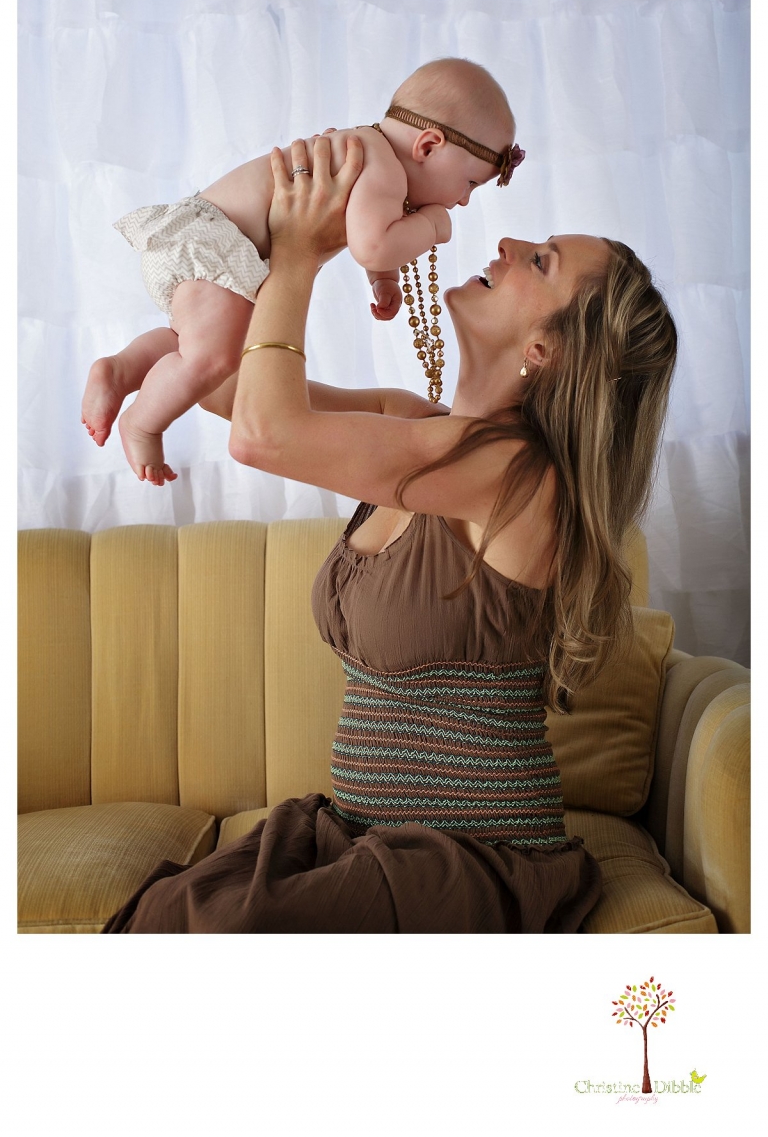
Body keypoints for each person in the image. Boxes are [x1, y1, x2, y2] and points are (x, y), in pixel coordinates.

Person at [103, 133, 677, 934]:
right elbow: (239, 392)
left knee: (217, 938)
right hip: (360, 834)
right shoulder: (415, 426)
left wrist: (298, 261)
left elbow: (265, 436)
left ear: (545, 351)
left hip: (466, 860)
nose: (507, 243)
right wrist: (145, 358)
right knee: (168, 922)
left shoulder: (517, 476)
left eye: (540, 261)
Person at [81, 58, 523, 486]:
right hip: (213, 243)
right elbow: (372, 245)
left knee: (204, 349)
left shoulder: (371, 153)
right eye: (470, 184)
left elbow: (368, 234)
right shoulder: (383, 167)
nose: (464, 201)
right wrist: (431, 226)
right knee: (212, 359)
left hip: (215, 245)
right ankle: (142, 425)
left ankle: (123, 370)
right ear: (428, 146)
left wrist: (384, 279)